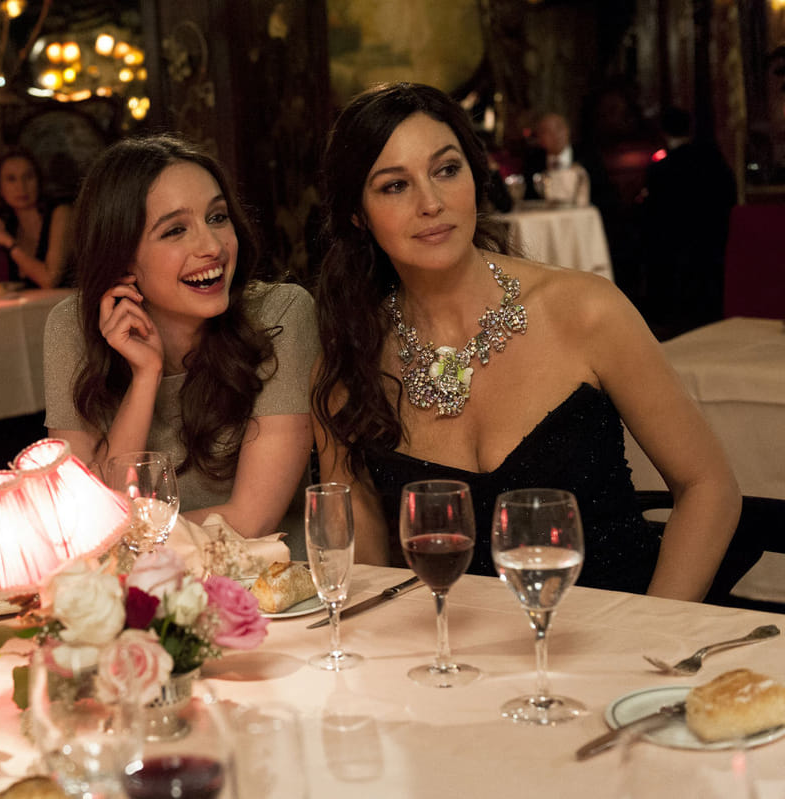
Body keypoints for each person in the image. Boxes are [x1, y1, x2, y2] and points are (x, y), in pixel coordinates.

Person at [311, 82, 739, 600]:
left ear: (476, 175)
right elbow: (363, 556)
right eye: (395, 185)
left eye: (447, 170)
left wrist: (654, 630)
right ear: (357, 214)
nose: (432, 202)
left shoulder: (586, 310)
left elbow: (709, 487)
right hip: (453, 643)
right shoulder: (351, 355)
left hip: (620, 631)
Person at [43, 134, 318, 539]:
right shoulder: (72, 327)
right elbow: (91, 508)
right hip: (133, 576)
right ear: (122, 255)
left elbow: (253, 517)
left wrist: (118, 533)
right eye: (175, 230)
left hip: (260, 573)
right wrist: (145, 376)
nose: (212, 246)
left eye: (217, 217)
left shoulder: (281, 313)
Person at [638, 106, 737, 337]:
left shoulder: (661, 168)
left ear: (663, 132)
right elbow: (729, 193)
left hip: (675, 245)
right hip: (710, 239)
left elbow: (653, 212)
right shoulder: (712, 159)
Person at [0, 147, 73, 289]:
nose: (21, 187)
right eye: (11, 179)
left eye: (28, 177)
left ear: (39, 180)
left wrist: (9, 243)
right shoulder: (5, 223)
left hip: (70, 301)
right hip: (34, 303)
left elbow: (49, 280)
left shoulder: (60, 213)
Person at [524, 112, 591, 206]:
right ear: (539, 138)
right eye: (547, 131)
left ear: (568, 130)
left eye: (559, 128)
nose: (555, 135)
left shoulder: (588, 158)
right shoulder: (533, 163)